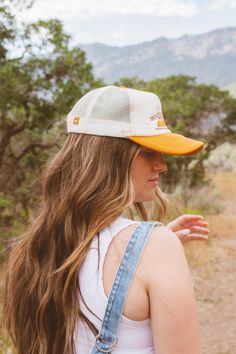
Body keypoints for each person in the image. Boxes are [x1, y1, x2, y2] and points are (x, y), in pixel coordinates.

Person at [2, 85, 209, 354]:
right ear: (111, 157)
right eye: (148, 152)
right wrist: (153, 249)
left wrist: (144, 252)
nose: (162, 164)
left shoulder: (38, 248)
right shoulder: (157, 247)